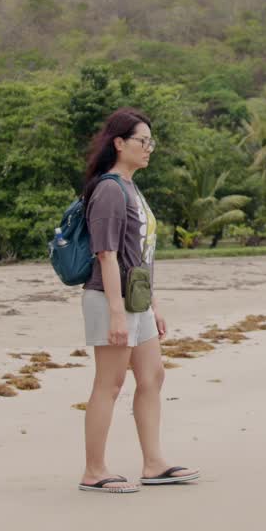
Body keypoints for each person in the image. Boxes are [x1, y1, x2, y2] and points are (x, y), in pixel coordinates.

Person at [77, 108, 199, 493]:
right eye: (141, 141)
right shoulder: (110, 189)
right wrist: (116, 313)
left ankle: (153, 462)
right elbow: (107, 254)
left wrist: (153, 305)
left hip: (137, 299)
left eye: (151, 142)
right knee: (109, 384)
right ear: (119, 143)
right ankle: (94, 470)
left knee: (152, 376)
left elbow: (140, 255)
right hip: (110, 299)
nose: (149, 148)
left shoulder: (132, 187)